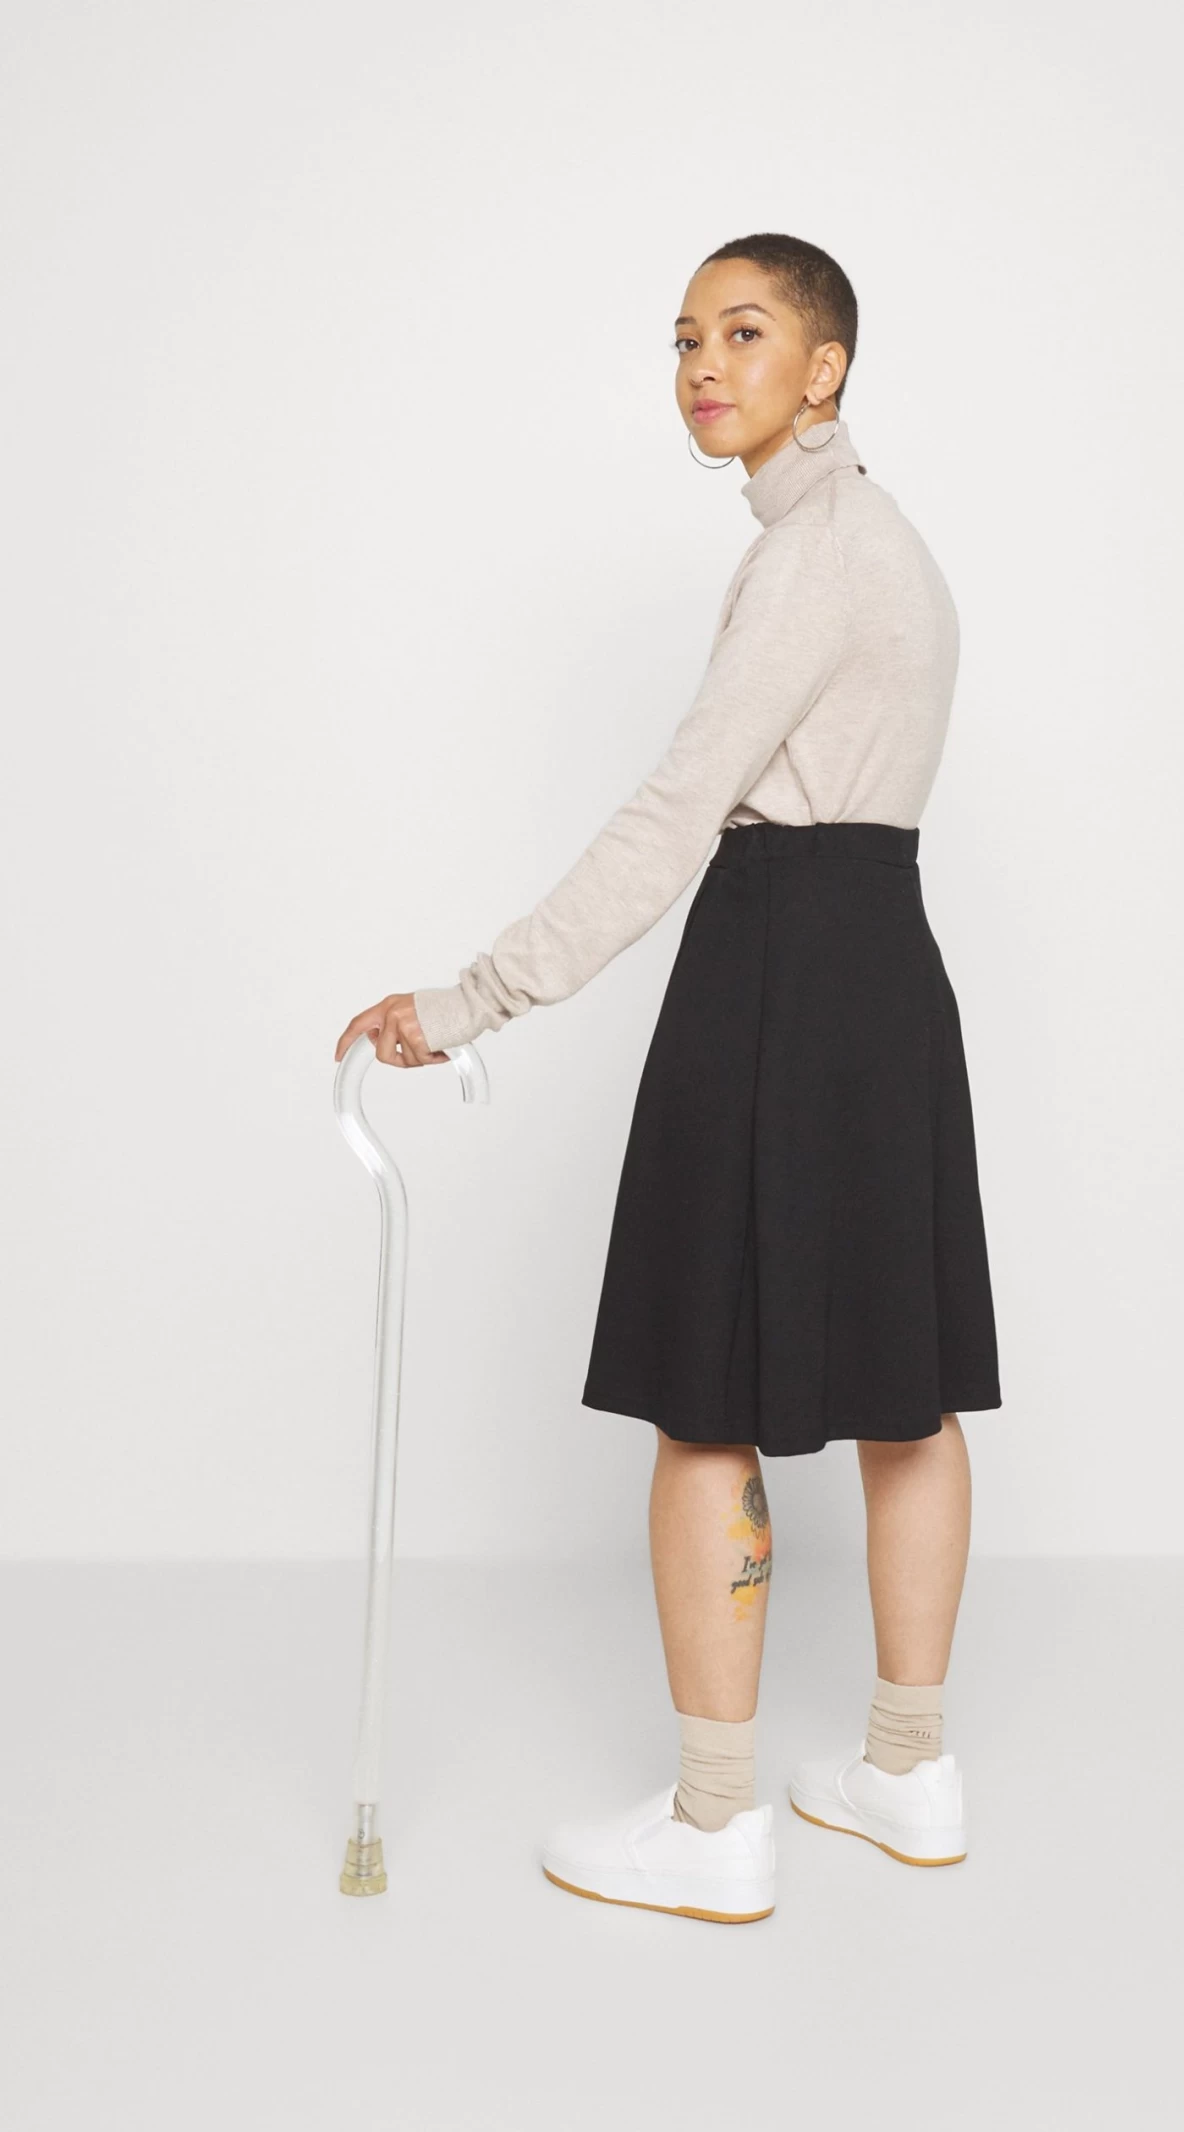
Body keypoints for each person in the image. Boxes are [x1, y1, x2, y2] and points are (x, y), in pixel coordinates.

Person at [333, 232, 1002, 1925]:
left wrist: (471, 998)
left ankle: (716, 1821)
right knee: (907, 1386)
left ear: (826, 367)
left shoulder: (809, 559)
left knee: (708, 1394)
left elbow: (673, 813)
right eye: (686, 337)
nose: (704, 363)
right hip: (889, 966)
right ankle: (910, 1768)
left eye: (745, 331)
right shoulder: (889, 544)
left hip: (780, 962)